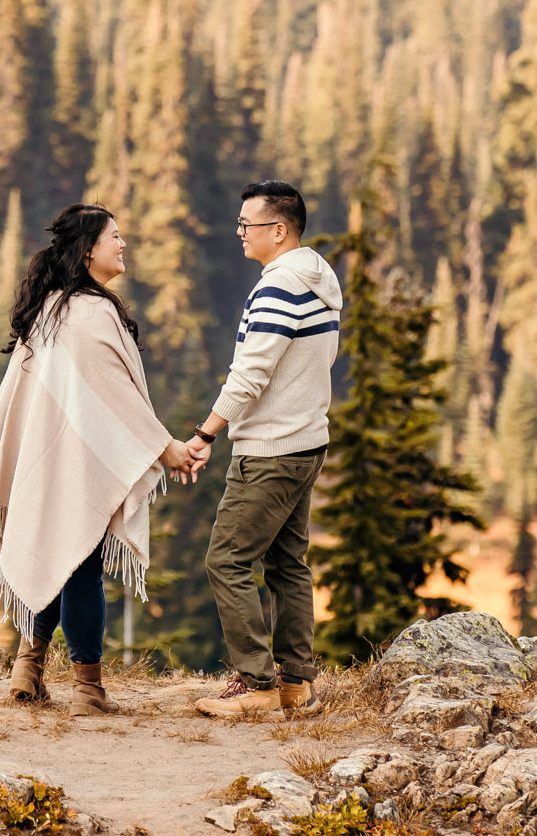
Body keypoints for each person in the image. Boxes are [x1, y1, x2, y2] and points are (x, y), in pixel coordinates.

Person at [0, 204, 197, 715]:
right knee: (81, 565)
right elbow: (118, 401)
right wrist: (171, 450)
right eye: (116, 236)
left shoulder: (50, 308)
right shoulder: (92, 314)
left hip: (43, 459)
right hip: (76, 462)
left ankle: (28, 667)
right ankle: (88, 691)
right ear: (89, 248)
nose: (123, 244)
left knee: (51, 546)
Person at [184, 180, 342, 718]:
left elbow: (251, 372)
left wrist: (205, 433)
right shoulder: (318, 279)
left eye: (247, 224)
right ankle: (297, 683)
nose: (239, 233)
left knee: (226, 558)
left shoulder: (278, 287)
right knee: (287, 563)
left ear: (279, 231)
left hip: (272, 447)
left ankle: (256, 686)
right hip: (307, 439)